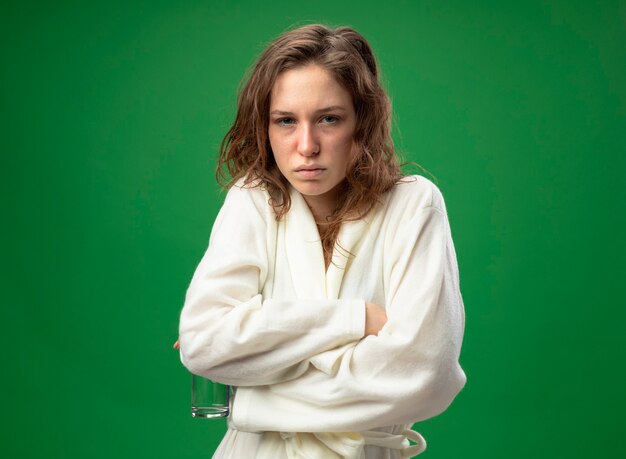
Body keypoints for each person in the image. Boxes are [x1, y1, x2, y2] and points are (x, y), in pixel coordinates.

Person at [177, 24, 466, 458]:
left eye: (329, 119)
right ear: (265, 126)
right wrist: (355, 321)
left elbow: (425, 374)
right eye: (286, 121)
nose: (306, 145)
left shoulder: (413, 205)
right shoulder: (251, 200)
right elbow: (205, 344)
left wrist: (256, 396)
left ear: (361, 121)